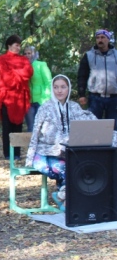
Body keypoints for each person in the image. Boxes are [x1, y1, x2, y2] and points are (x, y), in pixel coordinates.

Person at [26, 75, 96, 209]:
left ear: (68, 89)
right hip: (45, 154)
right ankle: (65, 198)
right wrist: (29, 158)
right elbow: (35, 133)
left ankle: (63, 197)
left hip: (68, 153)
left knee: (81, 166)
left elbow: (87, 122)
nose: (59, 91)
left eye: (63, 87)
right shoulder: (45, 108)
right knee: (67, 168)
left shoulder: (74, 107)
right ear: (52, 89)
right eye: (56, 87)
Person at [0, 35, 33, 159]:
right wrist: (19, 75)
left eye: (19, 45)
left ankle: (16, 153)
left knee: (18, 126)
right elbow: (6, 78)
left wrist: (15, 73)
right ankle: (7, 154)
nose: (18, 47)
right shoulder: (2, 59)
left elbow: (29, 72)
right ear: (9, 45)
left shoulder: (23, 59)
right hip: (6, 97)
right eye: (16, 45)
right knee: (7, 126)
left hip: (20, 98)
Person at [77, 29, 117, 130]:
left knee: (113, 127)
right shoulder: (89, 55)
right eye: (98, 37)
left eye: (103, 37)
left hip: (114, 98)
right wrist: (81, 94)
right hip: (95, 97)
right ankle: (93, 145)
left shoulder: (116, 55)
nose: (100, 40)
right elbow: (82, 75)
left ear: (108, 39)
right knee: (93, 127)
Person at [24, 46, 53, 132]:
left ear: (34, 53)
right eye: (25, 53)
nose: (27, 55)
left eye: (29, 53)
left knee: (42, 128)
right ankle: (31, 145)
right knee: (31, 128)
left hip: (41, 101)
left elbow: (49, 82)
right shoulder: (23, 67)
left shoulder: (41, 65)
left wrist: (46, 100)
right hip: (28, 102)